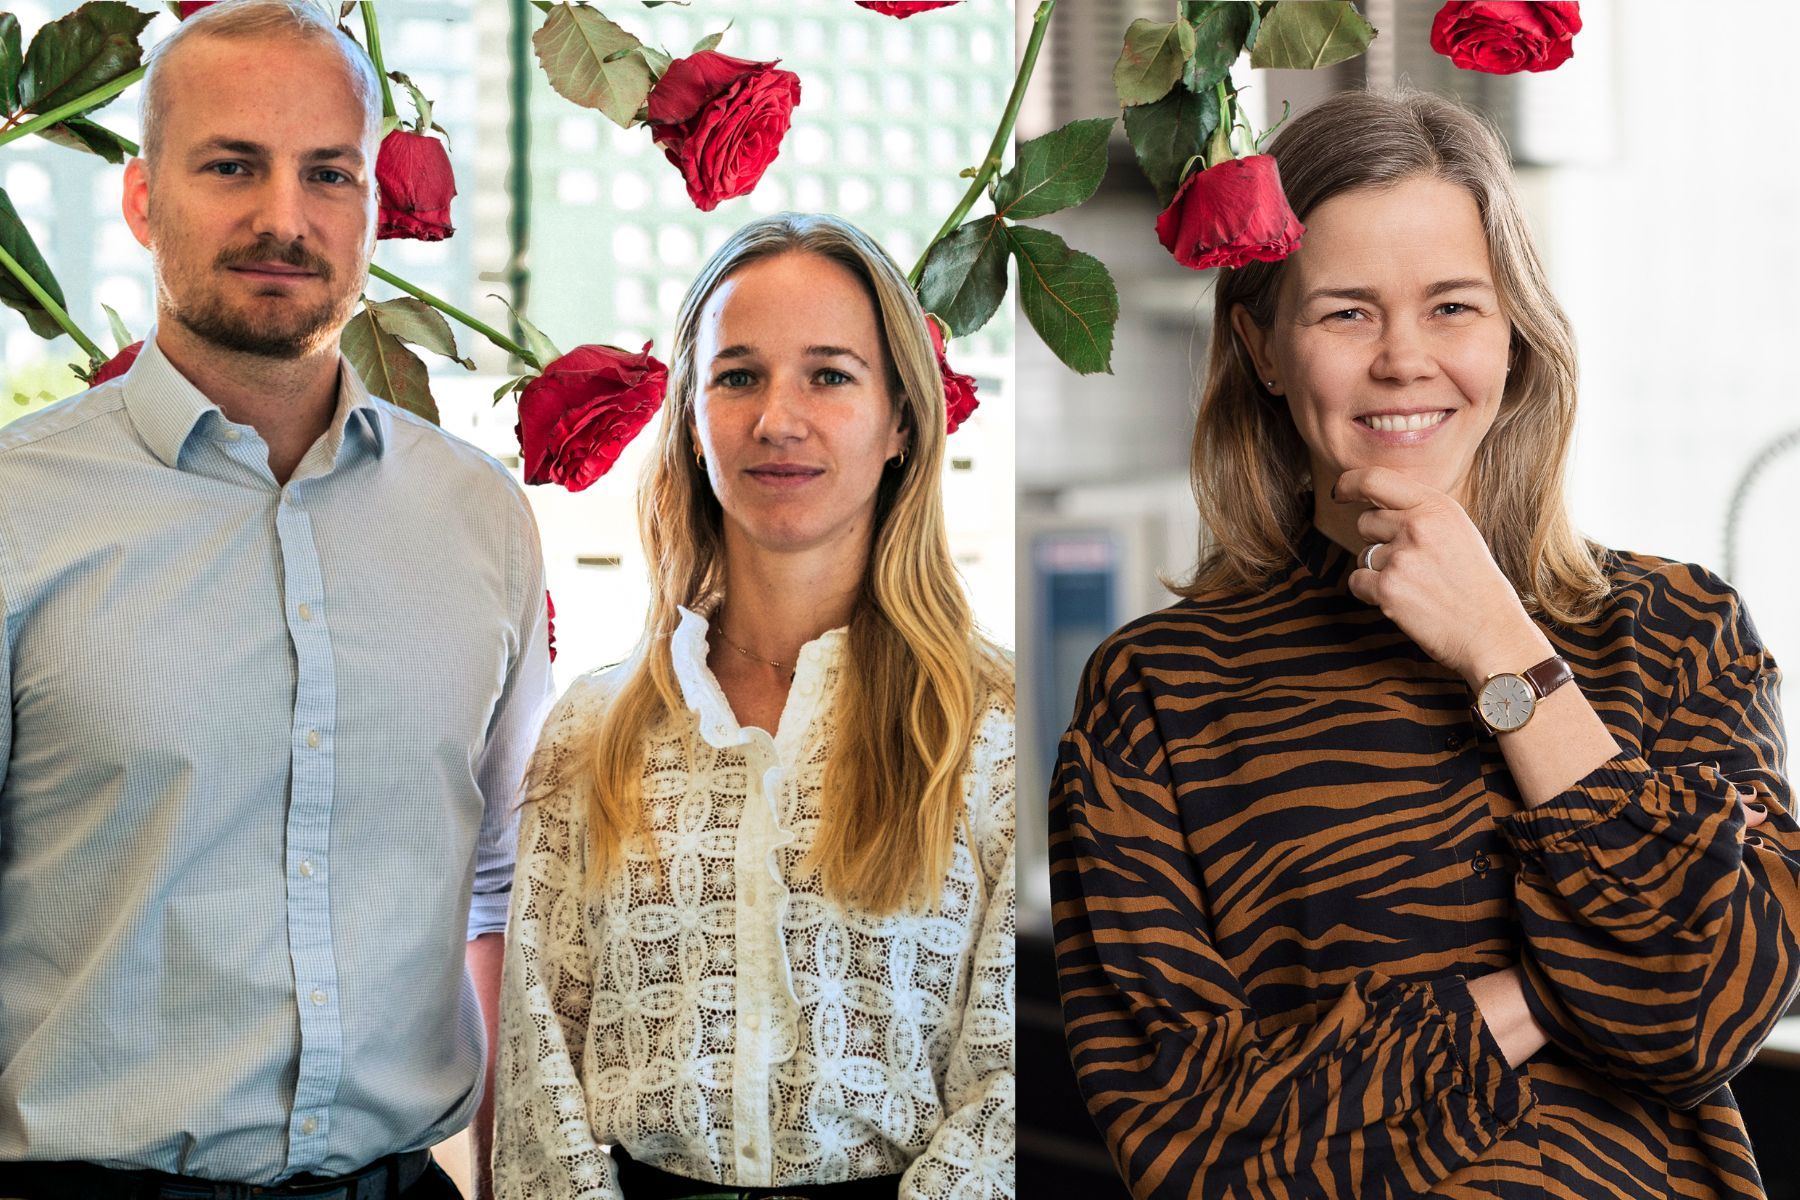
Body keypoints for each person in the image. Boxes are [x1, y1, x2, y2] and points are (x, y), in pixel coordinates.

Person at [1050, 89, 1799, 1200]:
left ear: (1513, 335)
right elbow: (1188, 1146)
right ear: (1262, 345)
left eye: (1453, 306)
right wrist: (1567, 988)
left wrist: (1501, 643)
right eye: (1346, 312)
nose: (1404, 359)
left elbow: (1704, 1014)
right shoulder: (1156, 692)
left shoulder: (1681, 630)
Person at [0, 2, 551, 1197]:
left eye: (328, 174)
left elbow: (500, 888)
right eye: (232, 166)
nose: (284, 219)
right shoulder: (15, 510)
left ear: (371, 209)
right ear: (142, 200)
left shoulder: (481, 519)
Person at [492, 212, 1015, 1200]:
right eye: (737, 377)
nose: (778, 418)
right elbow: (539, 1072)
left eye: (830, 375)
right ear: (692, 420)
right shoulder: (593, 732)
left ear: (901, 421)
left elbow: (1013, 1087)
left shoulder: (995, 728)